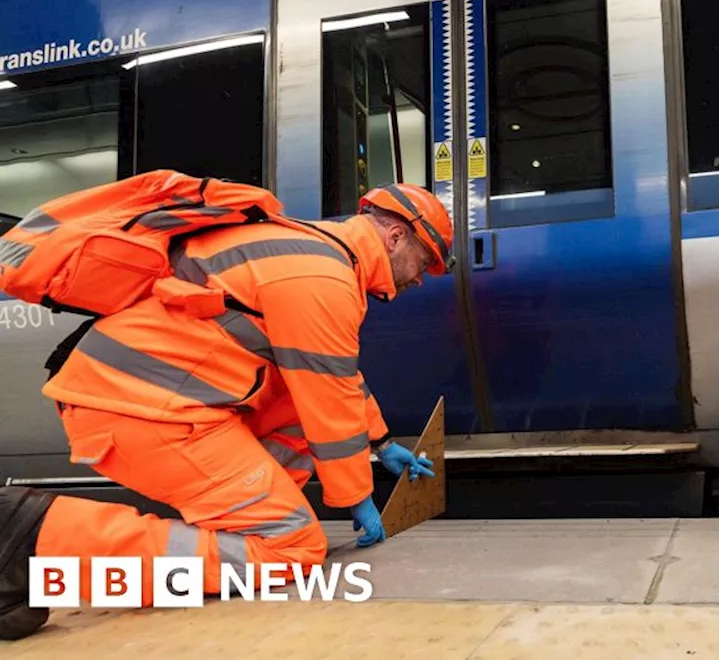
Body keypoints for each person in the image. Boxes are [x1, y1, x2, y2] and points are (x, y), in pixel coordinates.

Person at [0, 183, 453, 640]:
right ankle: (34, 542)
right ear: (396, 236)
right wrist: (358, 495)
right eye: (424, 262)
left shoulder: (313, 254)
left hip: (148, 400)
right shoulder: (322, 277)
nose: (419, 279)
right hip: (143, 409)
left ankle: (245, 520)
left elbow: (333, 374)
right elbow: (327, 394)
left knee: (295, 408)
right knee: (292, 549)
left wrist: (381, 443)